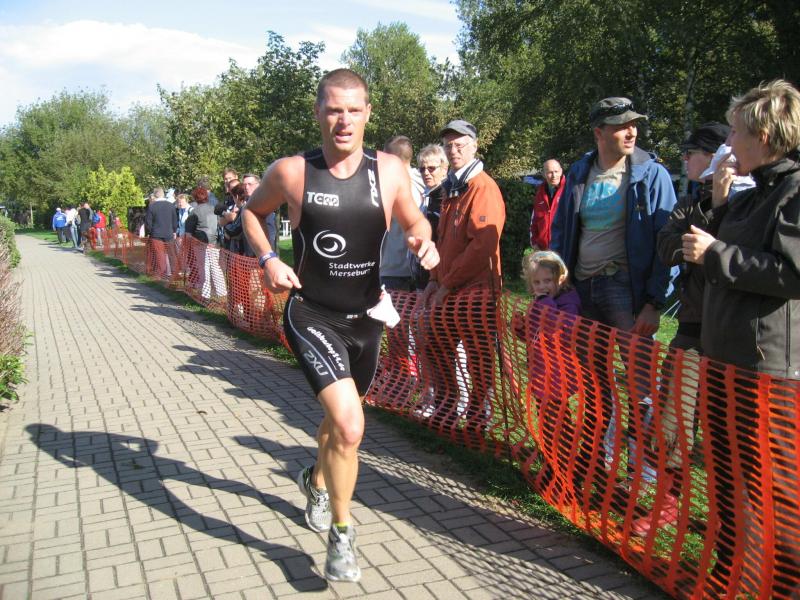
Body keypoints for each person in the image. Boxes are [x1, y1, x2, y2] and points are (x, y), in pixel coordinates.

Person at [242, 69, 438, 583]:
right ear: (318, 113)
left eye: (353, 110)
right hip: (311, 313)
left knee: (337, 425)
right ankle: (342, 535)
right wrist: (267, 259)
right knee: (351, 426)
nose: (344, 120)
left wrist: (422, 238)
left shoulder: (390, 170)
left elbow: (415, 219)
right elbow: (251, 214)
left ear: (368, 113)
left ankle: (315, 480)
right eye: (333, 110)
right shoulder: (292, 172)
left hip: (366, 319)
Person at [681, 79, 800, 597]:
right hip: (722, 357)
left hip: (764, 369)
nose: (728, 143)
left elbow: (791, 273)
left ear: (764, 135)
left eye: (735, 132)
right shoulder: (753, 194)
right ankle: (727, 575)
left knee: (773, 487)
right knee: (726, 477)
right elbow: (712, 243)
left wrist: (716, 253)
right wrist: (718, 203)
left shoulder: (794, 192)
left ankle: (786, 585)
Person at [550, 96, 677, 494]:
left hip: (627, 293)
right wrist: (558, 279)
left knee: (641, 390)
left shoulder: (652, 174)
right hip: (583, 291)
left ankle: (642, 476)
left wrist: (654, 303)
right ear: (599, 132)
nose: (631, 131)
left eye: (633, 124)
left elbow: (668, 243)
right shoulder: (579, 172)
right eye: (621, 125)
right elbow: (562, 230)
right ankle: (596, 465)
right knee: (594, 385)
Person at [629, 122, 732, 537]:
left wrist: (712, 232)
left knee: (729, 433)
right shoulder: (689, 201)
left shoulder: (748, 200)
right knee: (673, 420)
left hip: (736, 332)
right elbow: (666, 245)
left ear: (715, 155)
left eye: (691, 152)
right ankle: (668, 503)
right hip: (690, 326)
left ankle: (729, 521)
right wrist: (694, 243)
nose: (685, 159)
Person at [419, 119, 506, 437]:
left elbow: (482, 244)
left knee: (478, 358)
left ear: (474, 146)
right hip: (450, 288)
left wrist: (447, 282)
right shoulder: (453, 188)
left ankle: (477, 419)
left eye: (459, 145)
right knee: (434, 343)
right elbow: (442, 239)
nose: (453, 150)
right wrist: (433, 278)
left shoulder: (482, 187)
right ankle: (446, 410)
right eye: (448, 145)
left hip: (476, 290)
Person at [512, 251, 580, 495]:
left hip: (558, 375)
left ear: (560, 278)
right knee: (547, 422)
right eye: (537, 282)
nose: (542, 287)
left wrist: (544, 304)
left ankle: (565, 472)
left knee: (558, 423)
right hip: (541, 373)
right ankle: (551, 463)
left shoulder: (566, 302)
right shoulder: (540, 301)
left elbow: (556, 327)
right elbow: (535, 335)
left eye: (547, 281)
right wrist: (520, 329)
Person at [380, 135, 426, 291]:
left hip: (394, 271)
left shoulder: (392, 186)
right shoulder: (425, 181)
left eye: (384, 157)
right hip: (418, 270)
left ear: (392, 159)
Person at [412, 144, 448, 290]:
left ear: (444, 169)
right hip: (421, 275)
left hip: (439, 279)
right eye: (422, 169)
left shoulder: (446, 198)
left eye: (431, 168)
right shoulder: (428, 196)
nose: (426, 173)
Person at [185, 186, 226, 299]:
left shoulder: (194, 212)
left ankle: (205, 294)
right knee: (216, 268)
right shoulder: (214, 209)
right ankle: (222, 293)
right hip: (214, 243)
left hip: (200, 244)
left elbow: (188, 232)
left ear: (195, 198)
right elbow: (219, 224)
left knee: (203, 268)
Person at [530, 159, 565, 250]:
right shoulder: (540, 193)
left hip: (564, 249)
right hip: (543, 250)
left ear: (561, 171)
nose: (554, 176)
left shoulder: (569, 191)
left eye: (556, 171)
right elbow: (534, 221)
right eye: (550, 172)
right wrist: (534, 242)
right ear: (544, 174)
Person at [145, 187, 178, 278]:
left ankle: (161, 274)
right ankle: (175, 273)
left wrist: (149, 232)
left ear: (155, 195)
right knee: (172, 254)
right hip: (169, 233)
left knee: (160, 255)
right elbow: (175, 220)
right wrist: (174, 230)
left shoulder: (152, 206)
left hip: (156, 234)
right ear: (163, 194)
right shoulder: (171, 205)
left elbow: (148, 222)